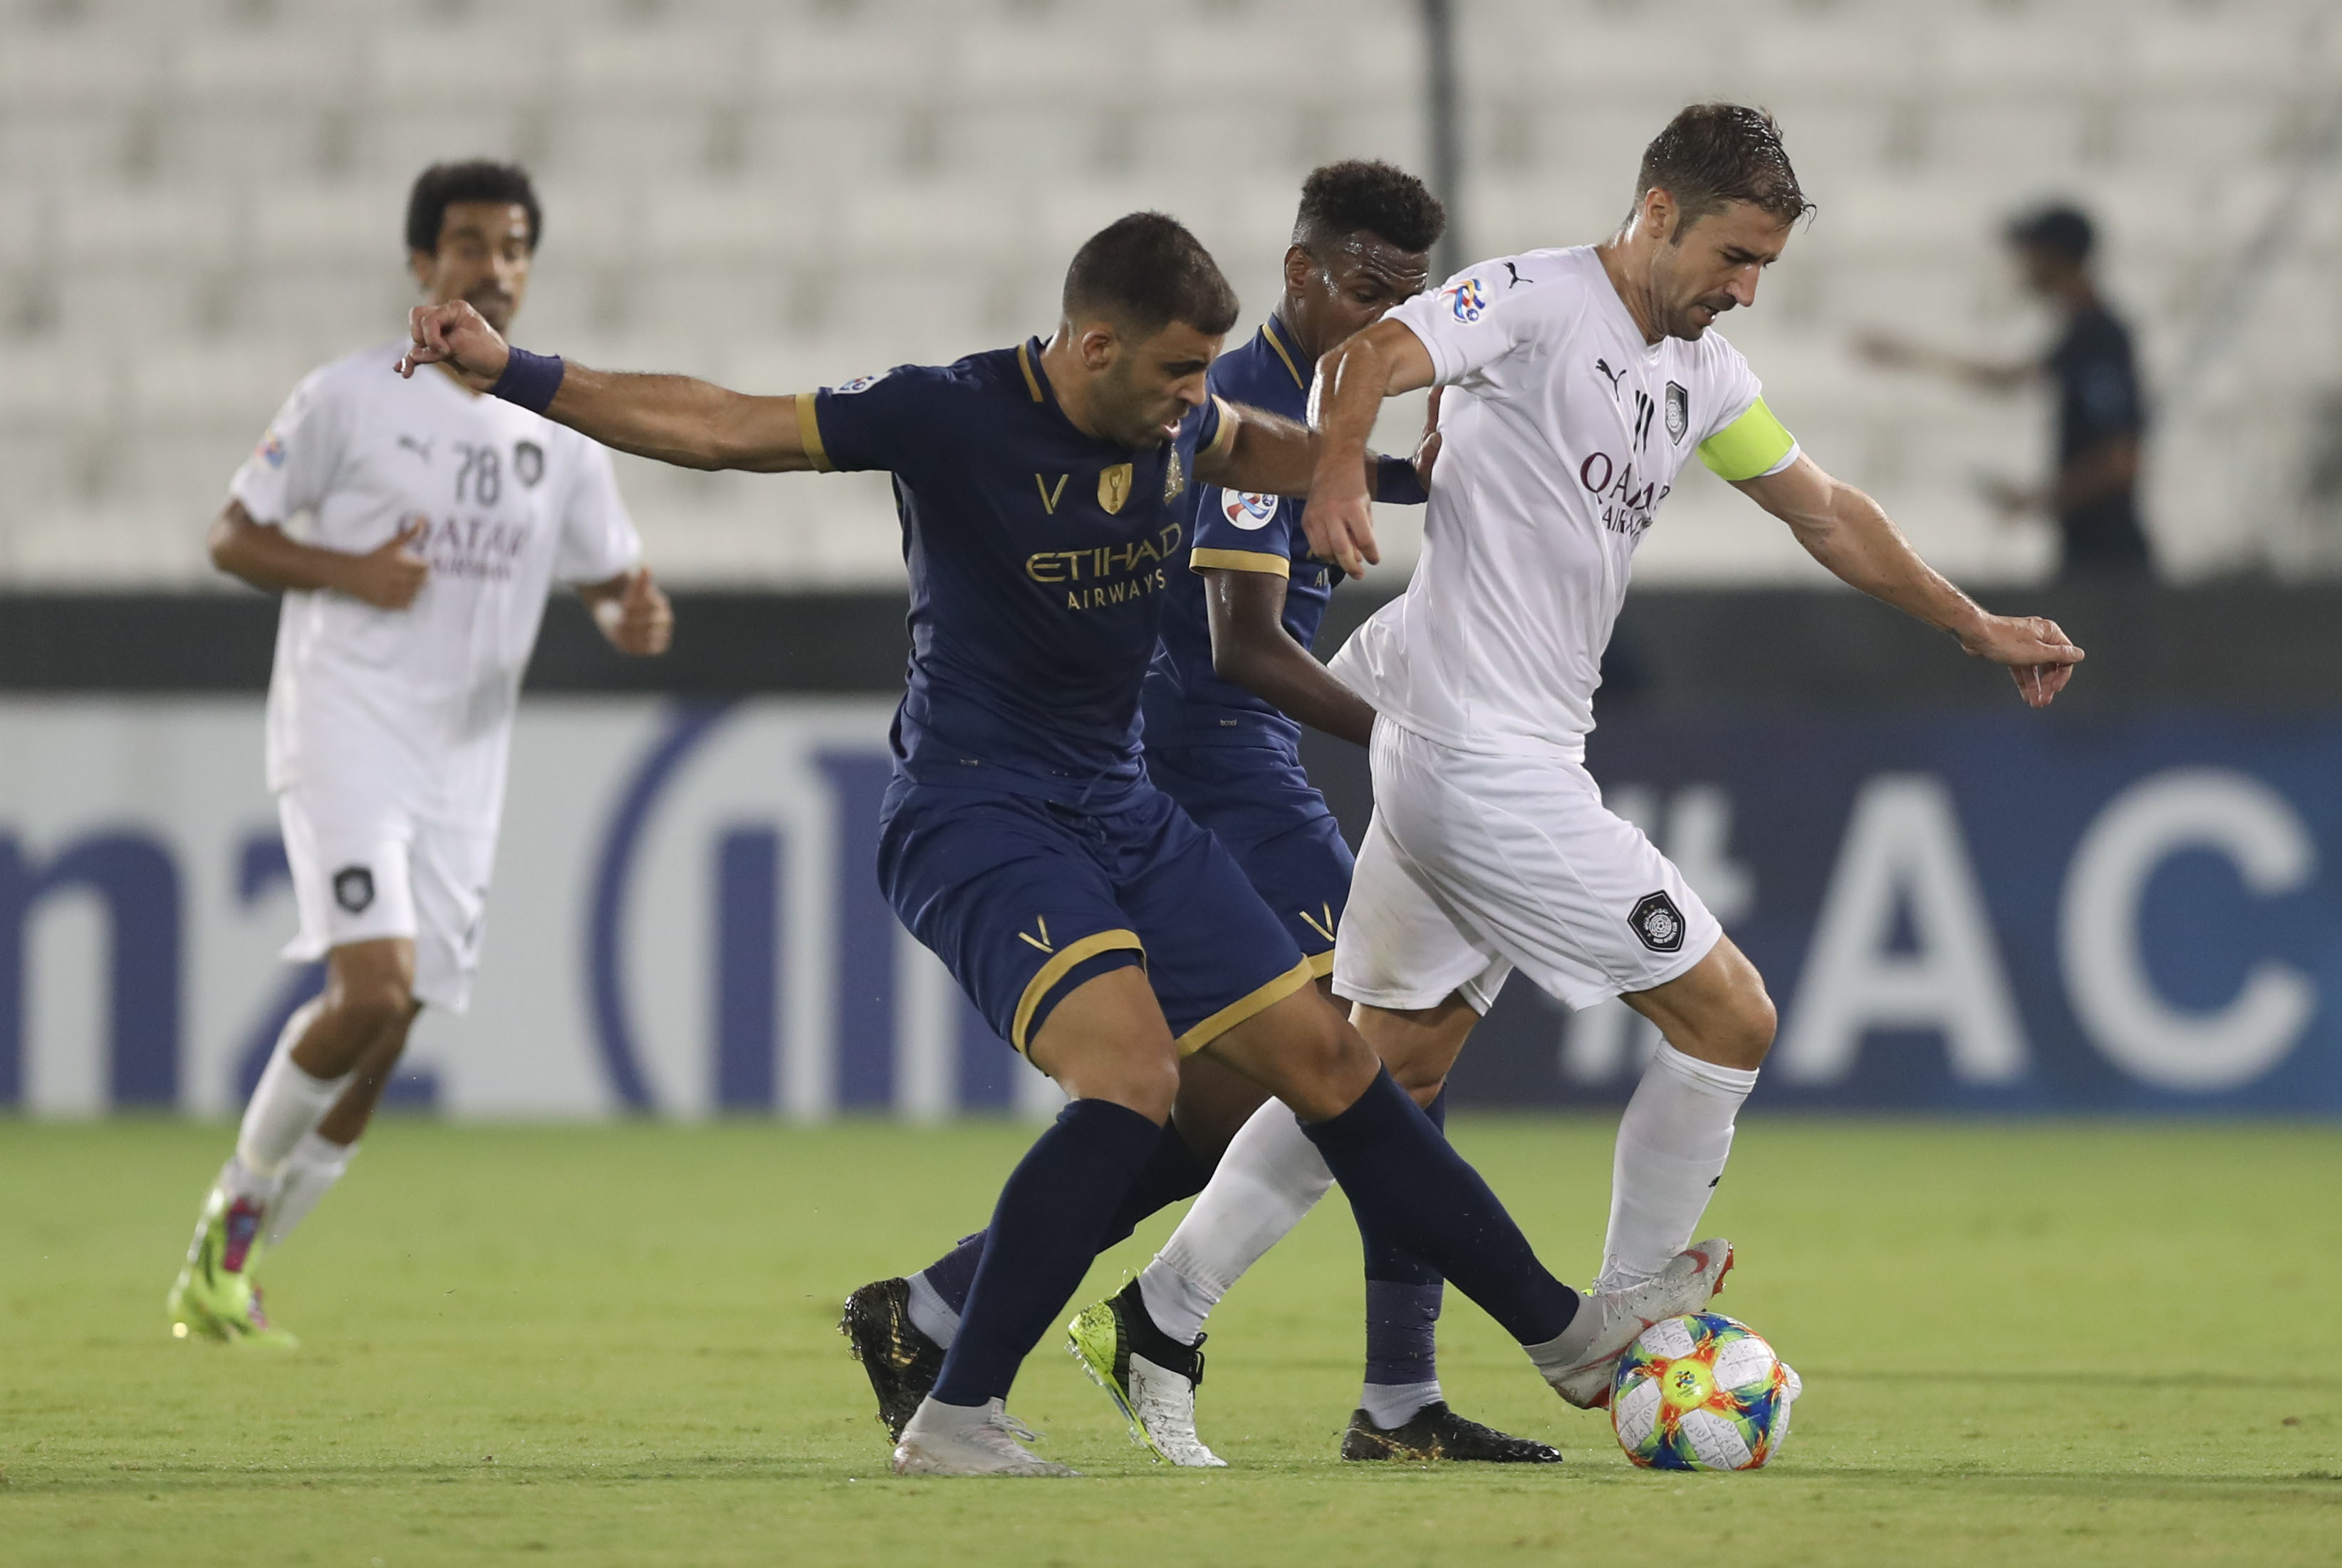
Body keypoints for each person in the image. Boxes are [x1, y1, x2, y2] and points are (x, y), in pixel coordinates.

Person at [398, 210, 1734, 1477]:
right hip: (977, 808)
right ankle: (958, 1410)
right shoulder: (950, 413)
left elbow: (1247, 443)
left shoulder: (1175, 415)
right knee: (1133, 1076)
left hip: (1121, 801)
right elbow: (727, 425)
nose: (1187, 397)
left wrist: (1378, 469)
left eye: (1199, 374)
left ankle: (1561, 1338)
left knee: (1328, 1058)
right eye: (1171, 371)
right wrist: (517, 370)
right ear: (1093, 345)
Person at [1086, 103, 2085, 1453]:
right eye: (1731, 256)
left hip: (1490, 743)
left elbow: (1827, 512)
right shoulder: (1538, 299)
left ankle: (1159, 1310)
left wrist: (1975, 624)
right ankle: (1620, 1318)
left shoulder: (1705, 376)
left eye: (1763, 272)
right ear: (1657, 212)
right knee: (1728, 1017)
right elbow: (1372, 354)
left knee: (1372, 1063)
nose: (1741, 289)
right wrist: (1337, 473)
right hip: (1475, 758)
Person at [839, 164, 1556, 1468]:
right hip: (1207, 764)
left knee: (1260, 1097)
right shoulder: (1251, 399)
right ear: (1298, 273)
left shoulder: (1307, 412)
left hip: (1215, 764)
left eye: (1402, 299)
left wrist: (1405, 478)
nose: (1374, 319)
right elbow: (1241, 646)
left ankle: (940, 1305)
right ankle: (1380, 1390)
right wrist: (1421, 739)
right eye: (1357, 288)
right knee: (1373, 1050)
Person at [166, 160, 673, 1348]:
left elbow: (614, 582)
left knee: (393, 1025)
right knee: (372, 987)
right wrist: (352, 571)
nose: (490, 265)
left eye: (510, 246)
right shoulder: (347, 397)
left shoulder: (559, 430)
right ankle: (227, 1219)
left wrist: (634, 617)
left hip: (464, 763)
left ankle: (230, 1276)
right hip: (345, 725)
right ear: (420, 263)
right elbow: (231, 536)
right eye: (465, 242)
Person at [1860, 202, 2153, 580]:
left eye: (2033, 252)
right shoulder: (2078, 335)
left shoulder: (2101, 338)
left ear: (2056, 256)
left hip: (2111, 559)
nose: (2024, 264)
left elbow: (2120, 460)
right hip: (2089, 548)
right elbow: (2006, 380)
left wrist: (2039, 500)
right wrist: (1911, 357)